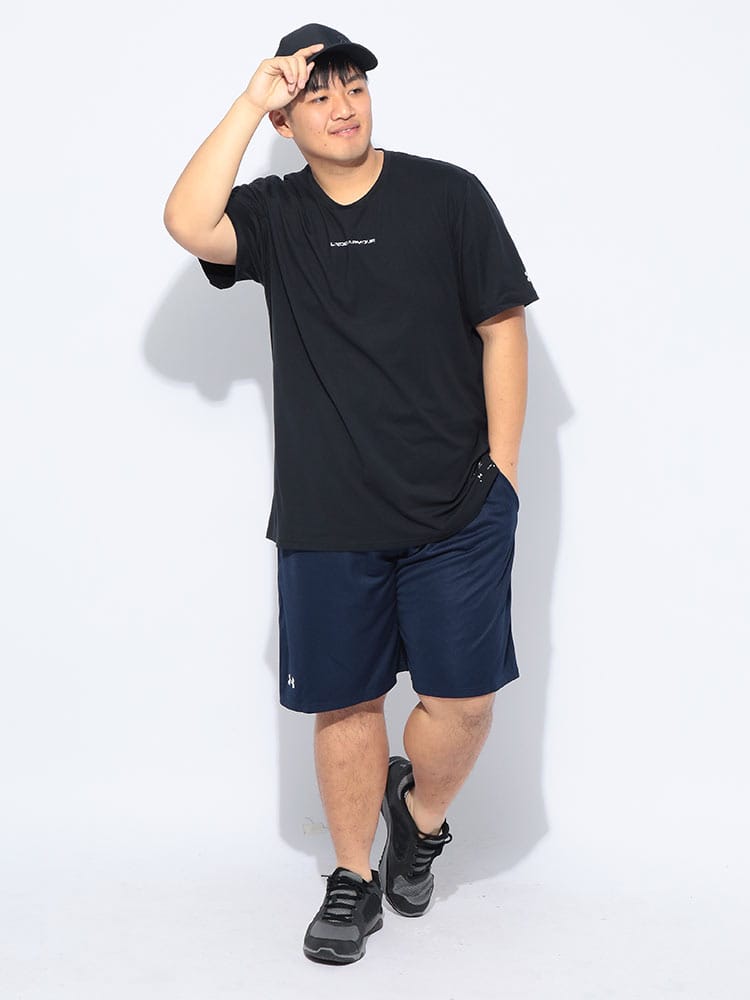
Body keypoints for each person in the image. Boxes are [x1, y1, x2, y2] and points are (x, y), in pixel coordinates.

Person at [163, 22, 539, 965]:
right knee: (346, 705)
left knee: (464, 701)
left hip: (459, 505)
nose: (342, 105)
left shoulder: (448, 195)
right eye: (318, 93)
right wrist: (250, 99)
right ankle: (351, 876)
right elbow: (187, 221)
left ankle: (419, 817)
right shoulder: (273, 213)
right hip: (329, 512)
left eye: (354, 87)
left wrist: (503, 472)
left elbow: (502, 324)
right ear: (287, 121)